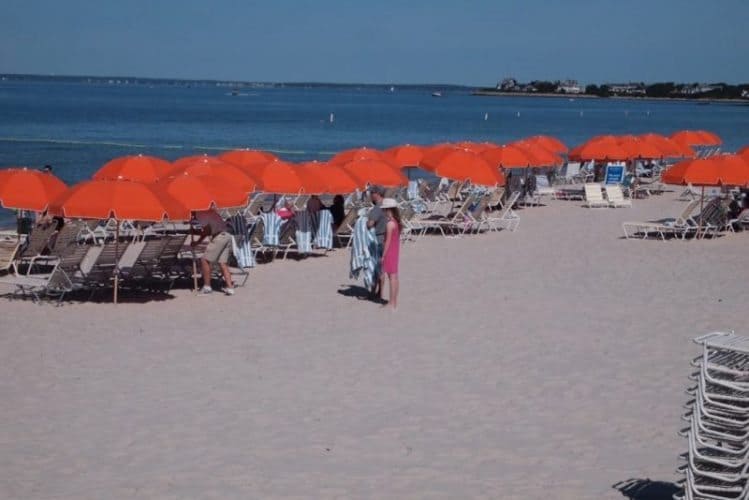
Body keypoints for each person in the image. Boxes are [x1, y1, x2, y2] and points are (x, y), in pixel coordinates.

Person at [191, 208, 235, 296]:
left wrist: (197, 242)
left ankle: (207, 287)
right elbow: (209, 229)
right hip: (227, 235)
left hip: (219, 236)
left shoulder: (200, 214)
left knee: (204, 260)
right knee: (223, 263)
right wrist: (195, 232)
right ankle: (230, 288)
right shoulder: (208, 210)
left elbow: (207, 231)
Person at [366, 185, 388, 299]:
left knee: (375, 266)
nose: (370, 196)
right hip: (387, 239)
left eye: (371, 193)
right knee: (381, 267)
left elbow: (370, 224)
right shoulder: (388, 206)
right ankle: (380, 291)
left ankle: (374, 291)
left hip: (378, 239)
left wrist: (365, 223)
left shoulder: (377, 208)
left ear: (376, 194)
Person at [379, 198, 401, 310]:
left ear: (388, 210)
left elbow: (387, 241)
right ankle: (394, 301)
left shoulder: (390, 224)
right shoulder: (396, 222)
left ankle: (392, 302)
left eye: (384, 210)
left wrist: (383, 255)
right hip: (395, 250)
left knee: (391, 277)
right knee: (395, 276)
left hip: (390, 251)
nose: (383, 212)